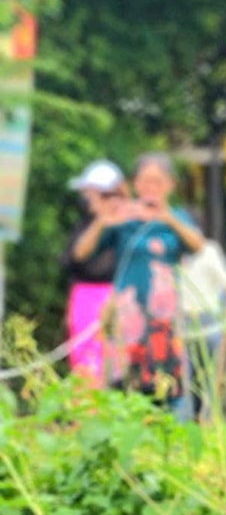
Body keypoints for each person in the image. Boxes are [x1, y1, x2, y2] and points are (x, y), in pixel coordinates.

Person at [81, 151, 205, 409]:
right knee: (123, 384)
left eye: (158, 182)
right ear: (135, 184)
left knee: (164, 384)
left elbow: (197, 245)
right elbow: (81, 253)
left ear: (170, 185)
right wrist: (104, 220)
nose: (151, 188)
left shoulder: (176, 218)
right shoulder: (124, 219)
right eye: (145, 182)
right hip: (128, 315)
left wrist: (166, 217)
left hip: (164, 318)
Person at [60, 159, 127, 387]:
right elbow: (74, 259)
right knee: (84, 363)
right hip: (84, 298)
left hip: (113, 298)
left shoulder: (124, 226)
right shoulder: (86, 224)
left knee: (113, 363)